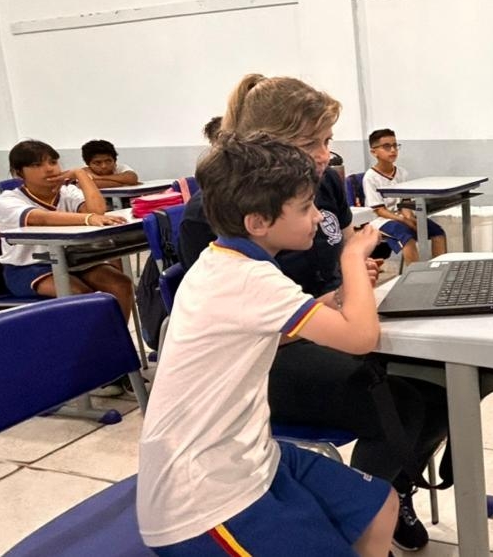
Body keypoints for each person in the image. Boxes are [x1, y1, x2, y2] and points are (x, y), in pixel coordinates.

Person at [179, 75, 446, 552]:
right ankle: (364, 506)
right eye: (311, 143)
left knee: (438, 389)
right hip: (270, 357)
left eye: (328, 140)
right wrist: (344, 287)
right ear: (266, 145)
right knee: (398, 404)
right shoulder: (218, 214)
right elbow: (240, 327)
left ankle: (391, 491)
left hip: (321, 320)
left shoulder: (320, 184)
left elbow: (339, 249)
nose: (325, 156)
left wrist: (351, 280)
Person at [138, 134, 397, 556]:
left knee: (380, 506)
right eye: (305, 207)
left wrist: (338, 297)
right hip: (202, 497)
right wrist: (351, 258)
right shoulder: (247, 278)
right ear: (258, 222)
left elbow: (279, 326)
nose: (318, 216)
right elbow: (361, 338)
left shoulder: (226, 260)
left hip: (249, 455)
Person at [0, 140, 134, 313]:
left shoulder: (67, 191)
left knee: (121, 284)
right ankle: (91, 331)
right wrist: (88, 218)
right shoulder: (8, 199)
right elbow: (41, 218)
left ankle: (115, 331)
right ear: (19, 172)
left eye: (53, 162)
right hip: (28, 267)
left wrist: (81, 175)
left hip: (73, 261)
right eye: (37, 165)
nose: (49, 169)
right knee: (80, 295)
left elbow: (98, 211)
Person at [362, 128, 447, 266]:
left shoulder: (402, 173)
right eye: (386, 146)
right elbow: (379, 210)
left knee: (437, 232)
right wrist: (403, 220)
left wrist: (409, 218)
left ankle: (439, 269)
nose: (393, 150)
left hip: (401, 216)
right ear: (374, 152)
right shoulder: (370, 177)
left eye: (395, 145)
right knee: (407, 238)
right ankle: (415, 275)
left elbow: (405, 202)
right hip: (381, 220)